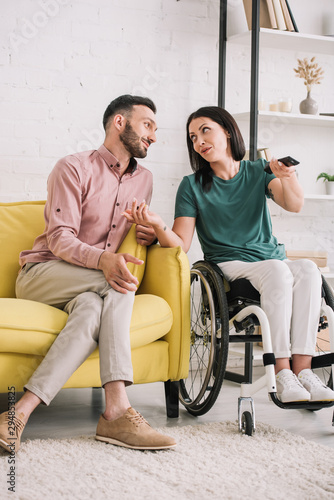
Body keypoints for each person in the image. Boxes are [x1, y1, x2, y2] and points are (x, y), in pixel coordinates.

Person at [0, 94, 176, 453]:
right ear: (119, 123)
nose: (154, 137)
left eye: (156, 130)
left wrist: (145, 233)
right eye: (147, 125)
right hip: (43, 273)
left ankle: (16, 415)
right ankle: (116, 410)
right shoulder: (73, 167)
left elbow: (133, 233)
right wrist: (104, 261)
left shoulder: (145, 181)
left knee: (92, 313)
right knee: (122, 282)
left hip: (87, 286)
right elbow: (59, 238)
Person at [123, 105, 334, 404]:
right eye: (193, 137)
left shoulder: (257, 170)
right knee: (277, 269)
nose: (198, 141)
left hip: (271, 260)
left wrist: (288, 176)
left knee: (310, 270)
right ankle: (282, 370)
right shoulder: (192, 185)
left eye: (205, 130)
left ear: (227, 131)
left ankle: (304, 370)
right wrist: (158, 225)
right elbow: (180, 244)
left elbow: (294, 204)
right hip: (229, 265)